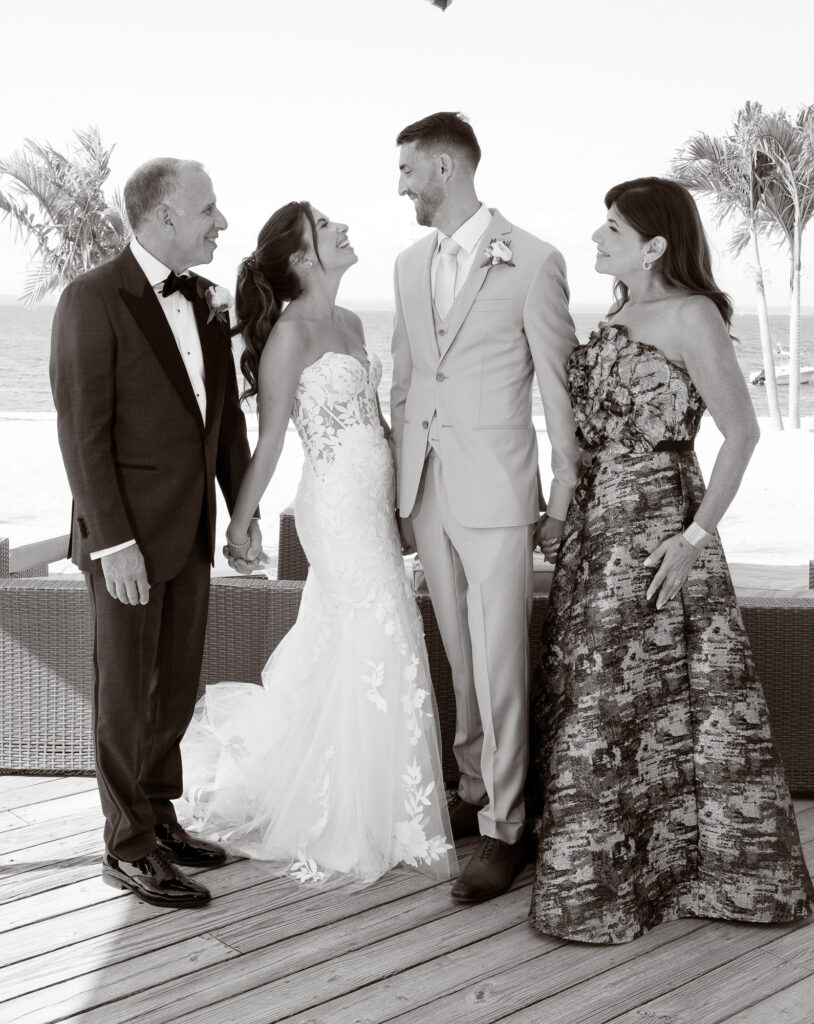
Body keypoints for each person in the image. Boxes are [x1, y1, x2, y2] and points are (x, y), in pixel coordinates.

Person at [528, 176, 814, 943]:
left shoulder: (691, 315)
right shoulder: (617, 312)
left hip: (659, 527)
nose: (595, 239)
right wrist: (560, 513)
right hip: (594, 531)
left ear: (654, 246)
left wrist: (692, 540)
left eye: (612, 230)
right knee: (604, 697)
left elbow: (741, 433)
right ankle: (618, 872)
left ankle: (686, 876)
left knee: (659, 702)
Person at [178, 201, 456, 888]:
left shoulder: (352, 322)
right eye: (326, 225)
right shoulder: (290, 338)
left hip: (373, 502)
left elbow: (377, 424)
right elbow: (271, 443)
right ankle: (349, 816)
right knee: (378, 630)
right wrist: (241, 523)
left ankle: (391, 802)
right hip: (332, 508)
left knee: (377, 634)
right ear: (302, 257)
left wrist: (406, 503)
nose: (342, 227)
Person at [50, 157, 261, 908]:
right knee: (124, 698)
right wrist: (113, 545)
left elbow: (225, 423)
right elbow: (83, 432)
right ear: (164, 215)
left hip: (192, 529)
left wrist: (243, 514)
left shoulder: (207, 300)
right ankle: (127, 846)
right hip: (125, 541)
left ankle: (160, 816)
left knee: (173, 688)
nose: (221, 223)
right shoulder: (91, 298)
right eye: (209, 209)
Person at [390, 112, 579, 902]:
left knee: (500, 659)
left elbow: (557, 388)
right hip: (426, 487)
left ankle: (508, 829)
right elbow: (404, 381)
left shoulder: (533, 261)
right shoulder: (406, 264)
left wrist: (562, 494)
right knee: (460, 656)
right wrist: (398, 489)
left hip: (499, 490)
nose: (398, 184)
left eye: (406, 170)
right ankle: (474, 791)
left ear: (443, 167)